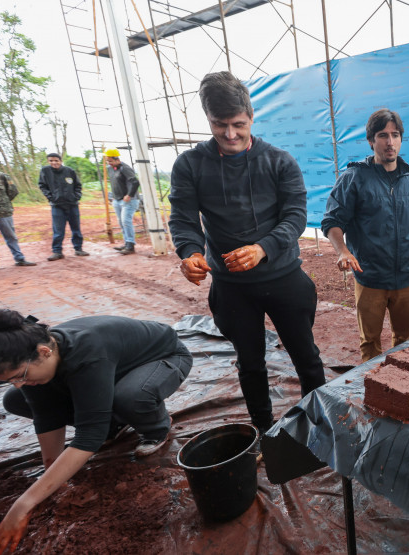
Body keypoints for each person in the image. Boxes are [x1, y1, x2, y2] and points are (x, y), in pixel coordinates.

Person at [168, 71, 325, 432]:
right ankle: (263, 430)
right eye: (219, 125)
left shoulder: (279, 161)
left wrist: (262, 248)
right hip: (231, 287)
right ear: (208, 119)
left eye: (238, 124)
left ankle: (318, 425)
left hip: (284, 277)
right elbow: (183, 218)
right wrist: (190, 252)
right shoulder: (190, 165)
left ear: (251, 117)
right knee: (250, 363)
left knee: (306, 357)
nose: (230, 134)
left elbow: (295, 216)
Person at [0, 309, 192, 552]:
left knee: (130, 397)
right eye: (10, 380)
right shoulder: (33, 356)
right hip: (112, 369)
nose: (18, 383)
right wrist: (52, 479)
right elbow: (47, 417)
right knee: (14, 399)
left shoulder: (87, 353)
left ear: (44, 352)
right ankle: (112, 422)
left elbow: (90, 436)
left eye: (20, 376)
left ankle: (157, 427)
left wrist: (23, 504)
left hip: (164, 359)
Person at [322, 108, 409, 362]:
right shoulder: (354, 178)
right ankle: (370, 381)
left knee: (404, 340)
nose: (390, 142)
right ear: (370, 140)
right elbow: (332, 221)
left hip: (407, 276)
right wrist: (343, 251)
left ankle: (401, 380)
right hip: (370, 276)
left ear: (401, 139)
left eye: (395, 135)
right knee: (370, 342)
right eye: (382, 135)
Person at [37, 153, 89, 261]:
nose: (54, 163)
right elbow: (42, 185)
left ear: (61, 161)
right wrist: (51, 197)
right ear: (48, 161)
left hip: (72, 205)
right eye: (51, 161)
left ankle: (78, 249)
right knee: (58, 230)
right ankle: (57, 251)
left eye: (56, 160)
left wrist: (76, 197)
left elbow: (78, 185)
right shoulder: (45, 171)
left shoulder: (69, 171)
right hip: (57, 206)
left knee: (76, 228)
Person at [0, 170, 36, 271]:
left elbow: (13, 191)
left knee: (11, 236)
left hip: (3, 212)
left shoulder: (2, 176)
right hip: (3, 210)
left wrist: (3, 202)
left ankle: (19, 259)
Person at [104, 148, 141, 255]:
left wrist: (129, 195)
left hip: (129, 200)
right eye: (107, 161)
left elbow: (135, 182)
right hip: (117, 199)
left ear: (117, 159)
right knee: (121, 222)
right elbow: (115, 183)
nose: (109, 163)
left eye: (110, 161)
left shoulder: (125, 168)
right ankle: (126, 243)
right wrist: (114, 196)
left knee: (126, 221)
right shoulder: (110, 169)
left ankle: (130, 245)